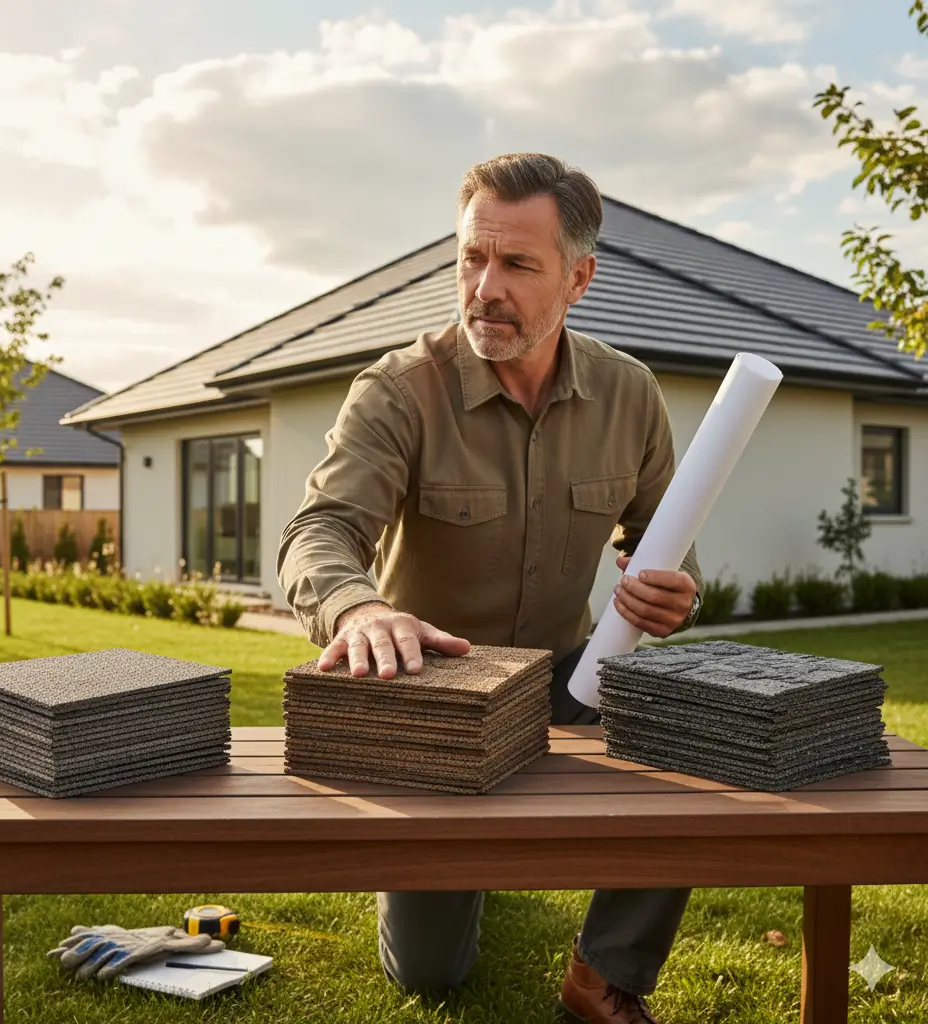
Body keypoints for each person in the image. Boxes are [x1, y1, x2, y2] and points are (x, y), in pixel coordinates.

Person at [278, 152, 704, 1024]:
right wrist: (358, 607)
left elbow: (677, 547)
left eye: (516, 264)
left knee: (694, 732)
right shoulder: (397, 392)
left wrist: (683, 592)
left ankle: (604, 974)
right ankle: (445, 881)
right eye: (473, 258)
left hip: (567, 677)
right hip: (435, 695)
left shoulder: (631, 394)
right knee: (431, 976)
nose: (484, 287)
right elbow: (316, 533)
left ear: (578, 278)